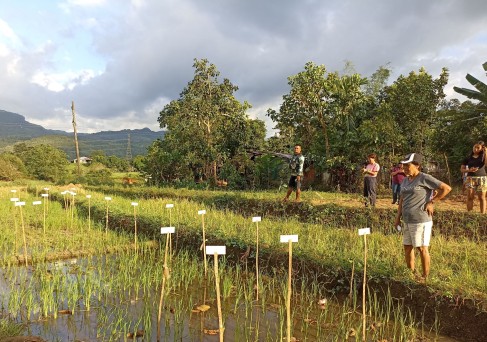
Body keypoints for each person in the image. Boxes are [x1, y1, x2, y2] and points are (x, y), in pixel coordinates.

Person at [394, 153, 451, 282]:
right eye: (403, 166)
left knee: (421, 248)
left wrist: (432, 202)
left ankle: (425, 277)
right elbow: (402, 200)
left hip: (421, 220)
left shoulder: (424, 178)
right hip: (407, 219)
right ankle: (412, 274)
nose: (405, 168)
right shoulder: (404, 180)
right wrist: (397, 218)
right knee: (407, 247)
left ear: (417, 165)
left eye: (408, 165)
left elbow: (446, 188)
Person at [460, 142, 487, 213]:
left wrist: (486, 152)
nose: (476, 149)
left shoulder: (483, 157)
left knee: (481, 197)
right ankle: (470, 214)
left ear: (482, 149)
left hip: (482, 178)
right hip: (470, 178)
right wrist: (469, 170)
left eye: (478, 147)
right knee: (470, 197)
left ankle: (482, 214)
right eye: (475, 147)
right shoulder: (468, 158)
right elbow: (462, 169)